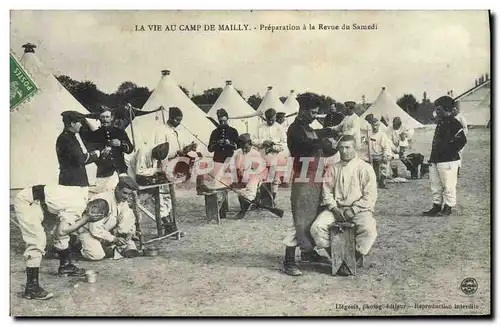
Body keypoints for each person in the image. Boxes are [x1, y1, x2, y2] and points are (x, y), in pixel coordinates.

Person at [14, 184, 106, 300]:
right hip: (27, 201)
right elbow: (62, 231)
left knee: (60, 229)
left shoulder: (82, 198)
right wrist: (86, 219)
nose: (95, 219)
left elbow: (61, 230)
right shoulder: (77, 208)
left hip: (41, 202)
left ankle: (65, 266)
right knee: (37, 241)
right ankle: (31, 288)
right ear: (93, 209)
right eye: (97, 217)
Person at [282, 94, 337, 277]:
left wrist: (337, 141)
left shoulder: (310, 129)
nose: (314, 115)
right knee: (298, 219)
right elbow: (303, 147)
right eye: (312, 112)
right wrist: (324, 137)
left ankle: (307, 252)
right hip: (303, 178)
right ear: (303, 110)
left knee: (313, 216)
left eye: (316, 112)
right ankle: (289, 261)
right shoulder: (294, 130)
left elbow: (325, 149)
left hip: (317, 178)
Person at [310, 135, 378, 275]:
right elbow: (326, 192)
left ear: (355, 148)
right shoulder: (333, 168)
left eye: (347, 147)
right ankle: (336, 257)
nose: (344, 151)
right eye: (341, 148)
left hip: (359, 210)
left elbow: (370, 195)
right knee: (317, 227)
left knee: (369, 229)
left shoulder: (364, 168)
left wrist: (354, 209)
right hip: (337, 209)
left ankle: (353, 257)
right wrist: (334, 208)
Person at [423, 96, 467, 217]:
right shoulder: (441, 122)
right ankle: (436, 205)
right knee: (435, 185)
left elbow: (462, 140)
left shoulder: (454, 123)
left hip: (448, 160)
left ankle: (448, 206)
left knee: (448, 185)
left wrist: (450, 151)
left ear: (447, 109)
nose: (437, 112)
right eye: (436, 109)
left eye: (439, 109)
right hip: (436, 159)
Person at [77, 176, 140, 260]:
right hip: (88, 231)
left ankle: (107, 246)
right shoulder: (102, 200)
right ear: (117, 189)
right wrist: (113, 239)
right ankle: (77, 245)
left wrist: (127, 235)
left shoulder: (122, 201)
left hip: (104, 232)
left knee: (128, 213)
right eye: (124, 193)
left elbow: (128, 220)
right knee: (97, 255)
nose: (126, 197)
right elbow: (94, 229)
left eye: (129, 194)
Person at [85, 106, 134, 195]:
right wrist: (101, 152)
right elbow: (90, 151)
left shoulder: (120, 132)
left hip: (120, 170)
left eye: (107, 117)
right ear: (99, 118)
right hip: (103, 172)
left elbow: (130, 149)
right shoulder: (93, 135)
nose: (105, 119)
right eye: (102, 117)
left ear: (111, 118)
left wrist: (120, 144)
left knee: (122, 195)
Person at [56, 111, 101, 191]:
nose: (81, 125)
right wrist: (96, 154)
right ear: (72, 123)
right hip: (72, 183)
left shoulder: (69, 137)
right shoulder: (66, 139)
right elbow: (79, 159)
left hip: (74, 181)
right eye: (79, 122)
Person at [252, 108, 288, 202]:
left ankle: (272, 198)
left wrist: (273, 147)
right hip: (262, 156)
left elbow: (284, 144)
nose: (271, 121)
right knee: (261, 177)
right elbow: (253, 140)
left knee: (274, 178)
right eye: (269, 120)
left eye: (273, 119)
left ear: (275, 117)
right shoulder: (260, 127)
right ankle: (260, 197)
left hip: (275, 156)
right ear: (265, 118)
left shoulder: (279, 128)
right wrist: (263, 142)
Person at [229, 133, 266, 219]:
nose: (244, 149)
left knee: (249, 192)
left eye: (246, 147)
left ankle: (243, 211)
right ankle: (249, 203)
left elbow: (254, 171)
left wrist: (244, 181)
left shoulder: (256, 154)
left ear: (250, 144)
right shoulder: (238, 152)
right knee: (239, 192)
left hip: (255, 176)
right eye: (242, 147)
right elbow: (231, 165)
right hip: (242, 176)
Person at [208, 108, 239, 179]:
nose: (223, 123)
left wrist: (230, 143)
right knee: (218, 181)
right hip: (218, 160)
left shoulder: (233, 131)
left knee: (229, 182)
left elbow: (238, 147)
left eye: (224, 121)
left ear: (227, 119)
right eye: (221, 121)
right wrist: (217, 143)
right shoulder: (215, 132)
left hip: (230, 160)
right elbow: (210, 149)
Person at [453, 104, 468, 177]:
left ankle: (457, 171)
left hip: (459, 139)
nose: (453, 111)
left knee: (458, 154)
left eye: (454, 109)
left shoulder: (461, 117)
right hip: (451, 139)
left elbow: (465, 128)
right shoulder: (450, 117)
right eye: (452, 109)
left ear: (457, 109)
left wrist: (462, 136)